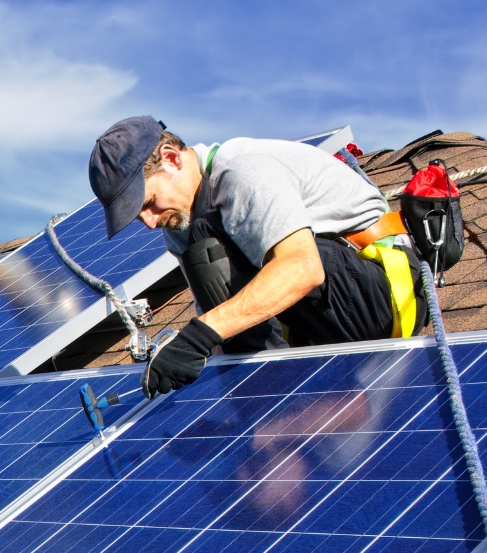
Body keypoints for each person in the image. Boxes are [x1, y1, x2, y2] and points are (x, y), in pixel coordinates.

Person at [87, 117, 424, 396]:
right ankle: (270, 401)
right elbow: (219, 325)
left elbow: (302, 267)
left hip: (385, 298)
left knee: (208, 241)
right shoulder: (180, 226)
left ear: (173, 158)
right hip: (322, 319)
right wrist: (201, 400)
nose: (148, 222)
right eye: (137, 216)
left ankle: (279, 397)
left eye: (148, 203)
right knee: (202, 247)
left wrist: (198, 336)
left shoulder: (240, 171)